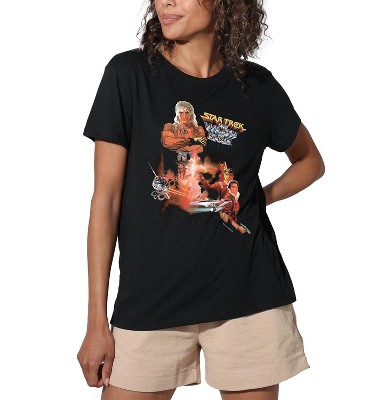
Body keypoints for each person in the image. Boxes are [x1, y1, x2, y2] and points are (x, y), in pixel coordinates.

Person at [77, 0, 325, 399]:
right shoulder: (129, 74)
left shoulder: (257, 87)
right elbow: (105, 201)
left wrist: (257, 198)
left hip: (249, 297)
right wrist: (96, 323)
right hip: (150, 302)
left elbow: (310, 161)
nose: (166, 1)